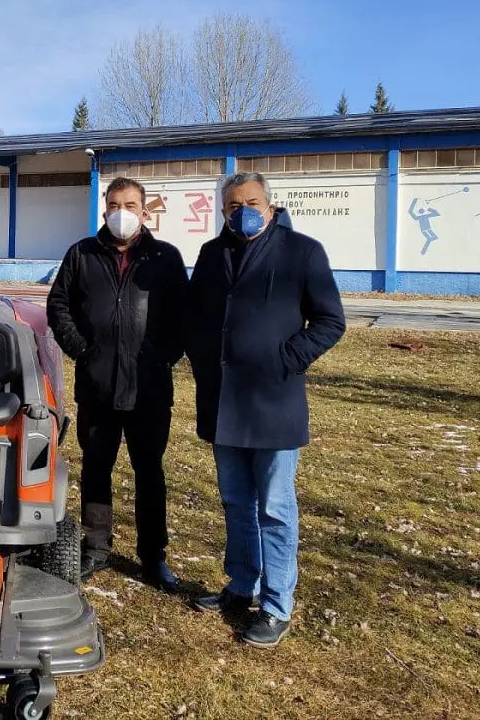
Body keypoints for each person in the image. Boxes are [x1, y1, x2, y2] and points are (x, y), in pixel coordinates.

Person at [185, 171, 345, 648]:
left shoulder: (302, 251)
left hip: (272, 401)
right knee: (236, 501)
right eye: (232, 205)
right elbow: (196, 316)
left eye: (250, 202)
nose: (242, 211)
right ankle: (241, 583)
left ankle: (276, 605)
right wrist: (201, 360)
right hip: (223, 401)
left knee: (275, 507)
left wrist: (286, 360)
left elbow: (330, 321)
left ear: (270, 205)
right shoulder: (213, 254)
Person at [46, 176, 188, 593]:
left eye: (130, 204)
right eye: (113, 204)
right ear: (104, 209)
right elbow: (58, 306)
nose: (121, 212)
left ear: (145, 211)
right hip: (98, 385)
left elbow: (184, 314)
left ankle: (153, 556)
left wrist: (163, 356)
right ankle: (95, 548)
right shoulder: (81, 254)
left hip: (149, 388)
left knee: (149, 472)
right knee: (96, 469)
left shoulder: (164, 257)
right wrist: (82, 351)